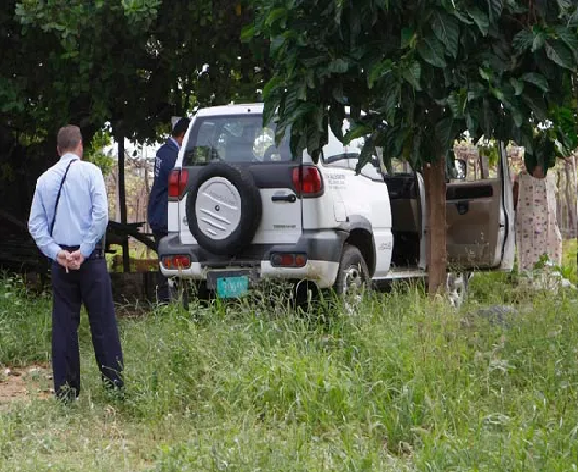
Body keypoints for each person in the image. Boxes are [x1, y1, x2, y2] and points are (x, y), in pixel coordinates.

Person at [28, 125, 124, 401]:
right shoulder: (91, 172)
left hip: (61, 263)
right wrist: (83, 250)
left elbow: (35, 224)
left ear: (58, 150)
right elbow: (101, 215)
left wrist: (57, 252)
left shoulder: (44, 179)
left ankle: (67, 393)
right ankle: (114, 386)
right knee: (103, 322)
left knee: (64, 326)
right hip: (89, 260)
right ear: (80, 146)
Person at [147, 117, 191, 303]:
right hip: (164, 216)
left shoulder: (166, 151)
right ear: (183, 135)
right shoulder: (171, 155)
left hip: (162, 214)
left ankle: (167, 301)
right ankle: (163, 301)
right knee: (166, 262)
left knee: (167, 261)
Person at [513, 164, 562, 272]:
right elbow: (515, 199)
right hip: (531, 224)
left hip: (545, 224)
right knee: (530, 250)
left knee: (535, 249)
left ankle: (542, 279)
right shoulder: (522, 177)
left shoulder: (550, 176)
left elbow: (514, 201)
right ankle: (537, 280)